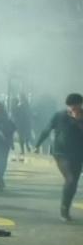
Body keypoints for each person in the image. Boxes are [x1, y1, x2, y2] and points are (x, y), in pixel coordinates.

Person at [34, 93, 83, 222]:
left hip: (78, 154)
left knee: (73, 184)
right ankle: (64, 210)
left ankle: (66, 206)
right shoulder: (59, 116)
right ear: (68, 106)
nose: (75, 109)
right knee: (70, 179)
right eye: (72, 106)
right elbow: (47, 129)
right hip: (61, 153)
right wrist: (37, 144)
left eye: (77, 106)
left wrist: (78, 121)